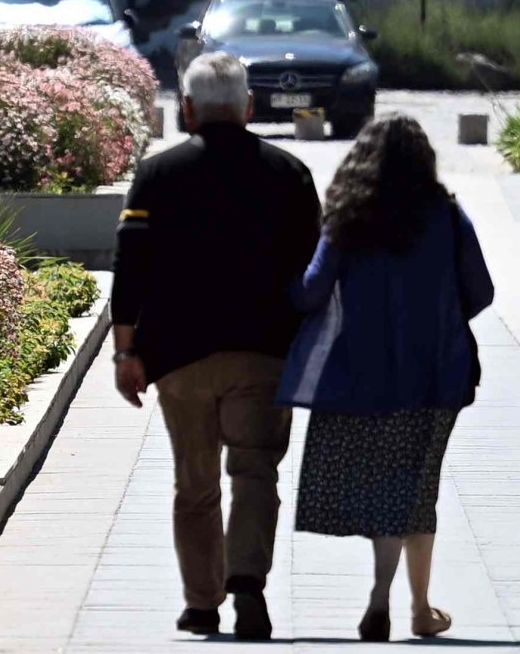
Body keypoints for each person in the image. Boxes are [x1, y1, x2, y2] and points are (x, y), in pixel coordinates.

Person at [111, 50, 324, 640]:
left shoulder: (158, 174)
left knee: (195, 482)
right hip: (265, 352)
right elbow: (314, 269)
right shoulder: (289, 174)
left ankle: (202, 603)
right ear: (249, 107)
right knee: (255, 472)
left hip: (179, 357)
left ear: (186, 109)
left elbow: (131, 266)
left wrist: (126, 352)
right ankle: (248, 584)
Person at [281, 113, 494, 642]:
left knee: (389, 487)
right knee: (419, 487)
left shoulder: (348, 219)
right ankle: (416, 608)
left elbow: (309, 291)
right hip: (437, 372)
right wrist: (442, 311)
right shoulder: (447, 216)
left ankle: (386, 600)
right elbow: (482, 291)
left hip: (364, 374)